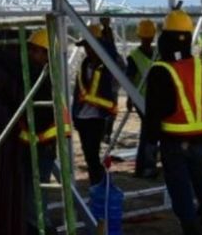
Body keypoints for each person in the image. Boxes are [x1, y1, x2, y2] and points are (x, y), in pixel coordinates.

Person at [142, 8, 202, 235]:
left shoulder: (160, 70)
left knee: (182, 197)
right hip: (200, 141)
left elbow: (154, 112)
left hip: (173, 144)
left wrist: (151, 143)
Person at [19, 28, 68, 235]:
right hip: (39, 143)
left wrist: (34, 138)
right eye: (30, 50)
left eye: (35, 50)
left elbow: (47, 119)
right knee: (35, 192)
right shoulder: (41, 76)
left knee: (37, 195)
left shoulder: (45, 80)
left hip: (43, 145)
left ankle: (44, 229)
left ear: (46, 53)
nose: (31, 54)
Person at [72, 19, 122, 188]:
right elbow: (78, 92)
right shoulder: (84, 65)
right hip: (83, 117)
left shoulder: (108, 67)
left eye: (90, 46)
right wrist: (75, 116)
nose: (87, 50)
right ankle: (99, 181)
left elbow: (114, 57)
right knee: (89, 155)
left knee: (92, 155)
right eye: (85, 46)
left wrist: (107, 30)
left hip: (98, 118)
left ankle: (98, 183)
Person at [126, 18, 159, 178]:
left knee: (150, 132)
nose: (148, 40)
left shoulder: (158, 53)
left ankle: (146, 165)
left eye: (149, 37)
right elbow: (129, 79)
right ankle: (146, 166)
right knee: (149, 132)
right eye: (146, 37)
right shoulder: (134, 57)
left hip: (156, 99)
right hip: (142, 100)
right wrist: (130, 98)